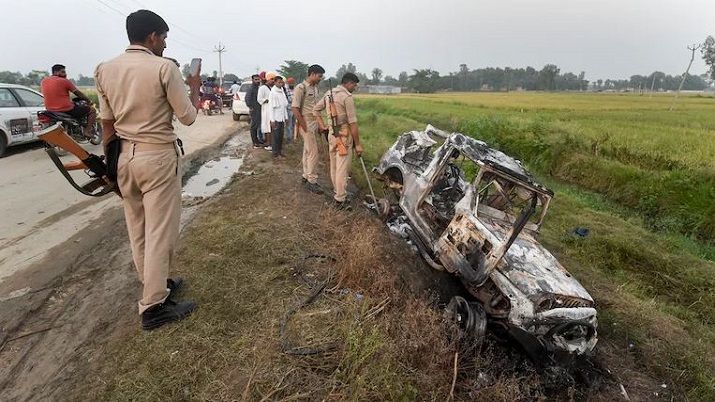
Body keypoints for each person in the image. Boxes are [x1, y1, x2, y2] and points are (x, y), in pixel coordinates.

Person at [94, 9, 201, 330]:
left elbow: (107, 124)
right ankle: (154, 306)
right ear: (152, 37)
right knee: (159, 232)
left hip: (124, 158)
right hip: (157, 157)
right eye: (164, 38)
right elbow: (189, 117)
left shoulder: (104, 70)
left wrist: (110, 166)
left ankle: (155, 285)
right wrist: (193, 86)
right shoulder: (164, 68)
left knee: (138, 229)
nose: (166, 44)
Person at [313, 73, 362, 210]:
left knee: (334, 165)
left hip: (332, 135)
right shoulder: (347, 97)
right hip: (344, 135)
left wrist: (322, 126)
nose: (355, 87)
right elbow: (352, 123)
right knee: (342, 169)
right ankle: (340, 198)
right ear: (349, 83)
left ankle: (337, 192)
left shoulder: (329, 93)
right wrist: (357, 144)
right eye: (354, 85)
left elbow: (315, 110)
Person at [40, 64, 101, 144]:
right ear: (56, 72)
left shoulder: (43, 81)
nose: (65, 74)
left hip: (50, 110)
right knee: (91, 110)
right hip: (66, 109)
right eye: (63, 72)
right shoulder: (64, 81)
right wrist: (88, 100)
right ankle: (87, 131)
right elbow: (78, 93)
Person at [292, 64, 325, 194]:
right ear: (312, 74)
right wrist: (303, 125)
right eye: (319, 76)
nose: (320, 79)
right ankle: (312, 181)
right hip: (306, 122)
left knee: (307, 151)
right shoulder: (301, 88)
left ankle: (306, 176)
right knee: (313, 152)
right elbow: (295, 108)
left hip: (313, 122)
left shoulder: (315, 89)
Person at [268, 75, 288, 159]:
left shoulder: (282, 91)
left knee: (280, 136)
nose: (280, 84)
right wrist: (272, 120)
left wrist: (286, 117)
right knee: (275, 137)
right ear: (275, 82)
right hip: (275, 118)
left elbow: (284, 106)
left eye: (281, 82)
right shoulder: (273, 93)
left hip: (282, 117)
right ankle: (275, 153)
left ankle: (279, 152)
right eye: (279, 82)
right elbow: (271, 107)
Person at [257, 71, 275, 151]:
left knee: (271, 127)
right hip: (266, 110)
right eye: (272, 79)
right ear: (268, 79)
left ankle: (271, 142)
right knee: (267, 127)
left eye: (274, 79)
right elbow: (259, 99)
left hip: (272, 110)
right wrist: (267, 100)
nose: (273, 81)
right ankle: (268, 143)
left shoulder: (273, 88)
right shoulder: (262, 88)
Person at [244, 74, 262, 148]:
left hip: (258, 108)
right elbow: (247, 98)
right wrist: (250, 107)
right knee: (254, 126)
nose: (257, 81)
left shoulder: (257, 88)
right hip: (254, 109)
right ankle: (254, 142)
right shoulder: (251, 88)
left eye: (258, 79)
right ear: (252, 80)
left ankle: (257, 140)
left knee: (257, 125)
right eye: (256, 79)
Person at [284, 77, 296, 143]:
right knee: (289, 125)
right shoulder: (286, 89)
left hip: (295, 109)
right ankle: (289, 138)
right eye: (290, 83)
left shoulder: (294, 89)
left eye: (292, 83)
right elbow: (289, 99)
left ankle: (294, 137)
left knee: (294, 124)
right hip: (289, 109)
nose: (291, 84)